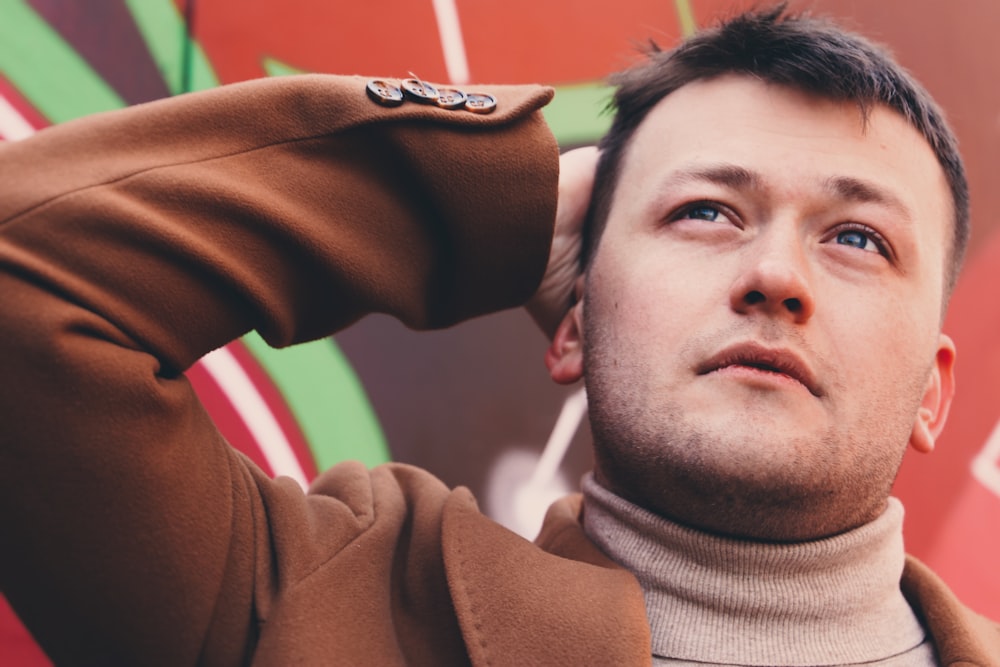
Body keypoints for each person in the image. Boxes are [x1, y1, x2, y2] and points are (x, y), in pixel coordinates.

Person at [0, 4, 997, 665]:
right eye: (704, 212)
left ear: (932, 393)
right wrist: (499, 200)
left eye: (858, 237)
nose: (775, 276)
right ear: (571, 319)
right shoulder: (309, 605)